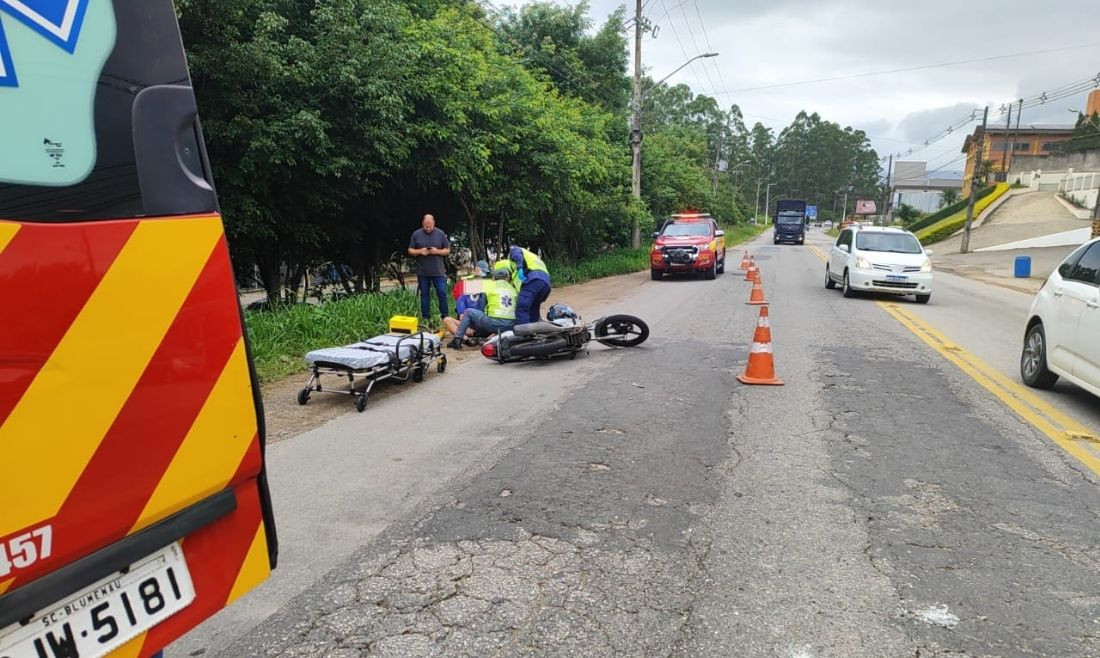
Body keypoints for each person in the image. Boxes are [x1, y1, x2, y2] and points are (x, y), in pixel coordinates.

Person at [448, 261, 518, 349]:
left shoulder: (488, 285)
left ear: (493, 278)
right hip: (511, 325)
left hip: (494, 324)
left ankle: (457, 340)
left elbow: (481, 306)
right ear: (507, 278)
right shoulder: (514, 289)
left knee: (468, 312)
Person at [408, 214, 451, 321]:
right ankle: (426, 317)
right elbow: (410, 250)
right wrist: (420, 251)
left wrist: (436, 251)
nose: (428, 228)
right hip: (423, 271)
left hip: (438, 271)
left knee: (442, 293)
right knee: (424, 295)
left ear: (434, 223)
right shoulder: (416, 234)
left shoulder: (440, 234)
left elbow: (447, 250)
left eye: (430, 226)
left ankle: (445, 316)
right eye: (426, 226)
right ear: (423, 223)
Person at [442, 260, 491, 340]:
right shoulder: (464, 293)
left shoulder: (486, 292)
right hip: (468, 325)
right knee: (447, 320)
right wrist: (466, 326)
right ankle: (466, 339)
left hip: (483, 324)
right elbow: (461, 313)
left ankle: (486, 338)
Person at [508, 245, 552, 325]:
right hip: (546, 283)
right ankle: (535, 331)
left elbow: (517, 255)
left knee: (522, 307)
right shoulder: (532, 256)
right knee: (533, 309)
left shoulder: (515, 250)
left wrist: (520, 267)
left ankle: (523, 334)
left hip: (534, 279)